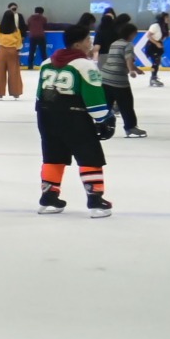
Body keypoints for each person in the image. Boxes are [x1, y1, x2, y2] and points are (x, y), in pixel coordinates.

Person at [34, 19, 115, 216]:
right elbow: (93, 95)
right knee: (89, 155)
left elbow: (39, 95)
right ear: (78, 44)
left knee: (53, 156)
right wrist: (103, 118)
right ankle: (95, 199)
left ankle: (49, 196)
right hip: (74, 117)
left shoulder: (47, 63)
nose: (90, 42)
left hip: (46, 115)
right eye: (88, 39)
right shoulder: (84, 65)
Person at [93, 10, 144, 140]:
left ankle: (99, 125)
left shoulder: (115, 43)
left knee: (107, 104)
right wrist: (132, 70)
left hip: (105, 77)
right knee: (126, 104)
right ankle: (130, 127)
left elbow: (117, 59)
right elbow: (128, 59)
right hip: (118, 80)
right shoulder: (128, 45)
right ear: (131, 34)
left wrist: (136, 70)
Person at [0, 3, 25, 99]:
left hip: (1, 51)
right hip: (13, 52)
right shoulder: (16, 30)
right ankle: (16, 92)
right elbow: (19, 43)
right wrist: (17, 50)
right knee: (14, 72)